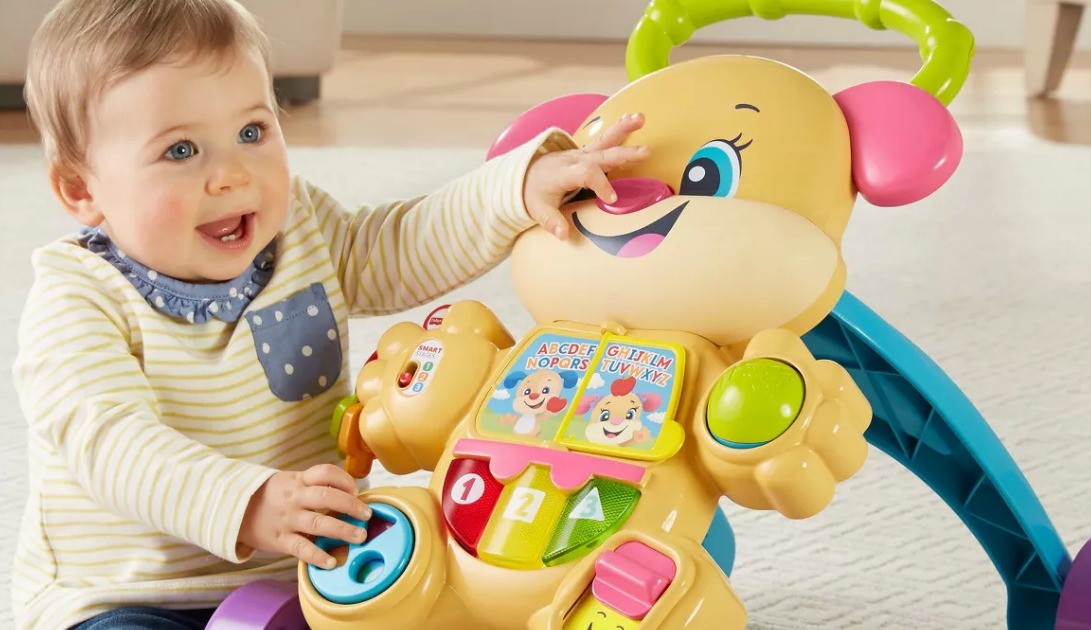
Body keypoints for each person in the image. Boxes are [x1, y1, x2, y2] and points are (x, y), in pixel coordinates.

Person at [10, 1, 648, 628]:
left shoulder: (299, 227)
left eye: (252, 132)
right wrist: (248, 503)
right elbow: (109, 442)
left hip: (313, 567)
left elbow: (402, 244)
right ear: (81, 189)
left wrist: (514, 190)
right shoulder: (76, 297)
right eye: (180, 151)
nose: (232, 174)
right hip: (134, 593)